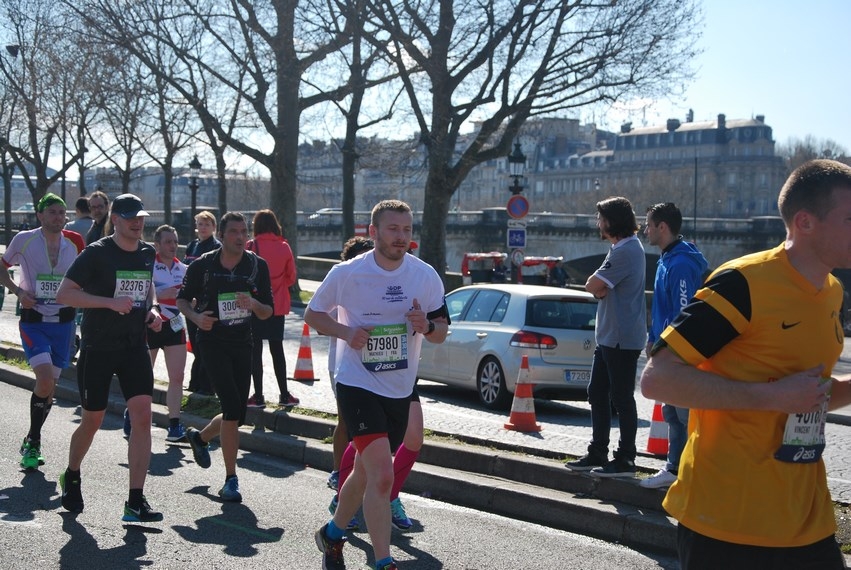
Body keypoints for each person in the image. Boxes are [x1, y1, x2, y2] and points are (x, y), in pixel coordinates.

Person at [640, 159, 851, 569]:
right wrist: (771, 396)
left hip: (807, 520)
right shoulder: (743, 282)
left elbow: (810, 395)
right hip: (727, 523)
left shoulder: (832, 292)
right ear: (805, 222)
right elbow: (658, 380)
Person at [306, 199, 448, 570]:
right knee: (383, 476)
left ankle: (333, 535)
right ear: (373, 233)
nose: (401, 237)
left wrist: (426, 325)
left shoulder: (425, 276)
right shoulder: (348, 273)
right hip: (357, 382)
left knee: (365, 472)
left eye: (406, 230)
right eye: (392, 229)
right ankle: (383, 561)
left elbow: (441, 331)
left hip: (400, 387)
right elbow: (312, 314)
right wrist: (346, 331)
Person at [55, 193, 164, 522]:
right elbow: (65, 293)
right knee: (93, 420)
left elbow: (147, 288)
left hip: (133, 346)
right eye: (131, 216)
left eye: (141, 216)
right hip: (98, 346)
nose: (138, 222)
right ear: (115, 219)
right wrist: (109, 303)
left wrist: (153, 310)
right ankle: (72, 474)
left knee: (143, 417)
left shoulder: (147, 252)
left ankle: (135, 500)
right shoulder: (96, 254)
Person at [176, 212, 273, 503]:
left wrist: (254, 303)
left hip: (242, 342)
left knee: (238, 413)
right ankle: (231, 479)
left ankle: (201, 438)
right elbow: (182, 299)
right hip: (211, 341)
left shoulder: (257, 265)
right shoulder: (204, 265)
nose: (241, 237)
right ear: (222, 234)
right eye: (234, 232)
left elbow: (268, 310)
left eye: (245, 232)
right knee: (232, 407)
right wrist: (195, 317)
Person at [566, 196, 646, 478]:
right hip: (610, 335)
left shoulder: (625, 251)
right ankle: (598, 450)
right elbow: (598, 287)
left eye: (600, 218)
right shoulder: (621, 248)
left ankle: (626, 458)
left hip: (621, 337)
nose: (598, 223)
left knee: (621, 398)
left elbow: (592, 284)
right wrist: (600, 289)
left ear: (612, 221)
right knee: (597, 392)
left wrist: (599, 289)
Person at [0, 193, 79, 470]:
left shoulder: (75, 243)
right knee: (44, 380)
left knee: (50, 389)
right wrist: (19, 291)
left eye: (62, 213)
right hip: (34, 321)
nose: (59, 217)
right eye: (53, 212)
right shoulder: (24, 239)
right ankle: (34, 440)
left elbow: (85, 278)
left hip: (64, 324)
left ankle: (32, 437)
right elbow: (2, 266)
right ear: (40, 215)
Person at [638, 203, 707, 490]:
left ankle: (687, 471)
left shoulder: (678, 264)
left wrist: (668, 347)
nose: (645, 229)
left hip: (678, 353)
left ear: (662, 227)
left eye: (649, 224)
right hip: (667, 348)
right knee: (672, 412)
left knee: (682, 414)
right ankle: (675, 467)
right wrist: (653, 337)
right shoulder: (670, 259)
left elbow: (683, 311)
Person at [326, 236, 375, 492]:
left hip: (376, 365)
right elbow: (322, 323)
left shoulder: (382, 283)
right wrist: (349, 331)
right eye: (361, 257)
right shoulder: (340, 283)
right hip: (344, 362)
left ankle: (362, 475)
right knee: (347, 421)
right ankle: (338, 472)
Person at [245, 209, 298, 408]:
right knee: (278, 350)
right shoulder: (284, 247)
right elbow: (291, 277)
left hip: (257, 305)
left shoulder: (251, 246)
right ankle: (284, 394)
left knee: (255, 351)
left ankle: (258, 396)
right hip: (278, 306)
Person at [146, 225, 188, 442]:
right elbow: (140, 294)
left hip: (174, 326)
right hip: (151, 324)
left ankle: (174, 424)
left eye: (175, 241)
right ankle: (133, 414)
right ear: (157, 244)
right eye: (168, 242)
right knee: (144, 376)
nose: (173, 246)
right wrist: (161, 294)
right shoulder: (148, 265)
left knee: (177, 377)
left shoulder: (184, 269)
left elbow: (190, 299)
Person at [184, 211, 221, 395]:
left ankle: (206, 387)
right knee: (196, 346)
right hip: (192, 303)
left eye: (207, 224)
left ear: (214, 227)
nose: (203, 227)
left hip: (207, 302)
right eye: (200, 223)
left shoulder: (216, 247)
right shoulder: (192, 246)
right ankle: (196, 384)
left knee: (206, 347)